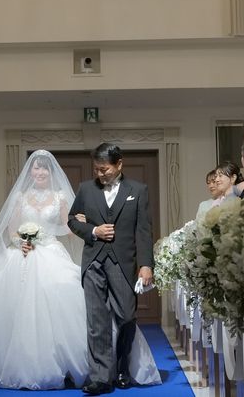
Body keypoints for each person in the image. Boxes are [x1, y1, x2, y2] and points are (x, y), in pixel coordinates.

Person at [0, 150, 160, 391]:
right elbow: (12, 229)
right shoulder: (20, 197)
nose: (39, 172)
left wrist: (85, 226)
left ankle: (103, 366)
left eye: (44, 169)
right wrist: (20, 241)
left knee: (75, 298)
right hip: (23, 254)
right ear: (30, 172)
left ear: (51, 172)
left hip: (51, 250)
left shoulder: (61, 197)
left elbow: (69, 225)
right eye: (35, 168)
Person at [68, 142, 154, 394]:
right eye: (96, 169)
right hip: (93, 261)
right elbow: (72, 220)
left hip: (123, 262)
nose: (100, 174)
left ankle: (122, 367)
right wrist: (93, 230)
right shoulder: (85, 189)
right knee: (97, 321)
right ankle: (101, 378)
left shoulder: (138, 190)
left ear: (119, 164)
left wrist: (146, 264)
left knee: (126, 316)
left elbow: (144, 231)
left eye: (104, 169)